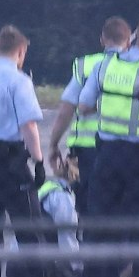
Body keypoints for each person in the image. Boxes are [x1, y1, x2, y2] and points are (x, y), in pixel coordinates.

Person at [76, 12, 139, 277]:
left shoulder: (105, 66)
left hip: (104, 156)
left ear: (135, 35)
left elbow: (83, 105)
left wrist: (109, 107)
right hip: (137, 157)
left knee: (100, 224)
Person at [0, 25, 50, 277]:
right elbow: (28, 125)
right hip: (12, 162)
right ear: (20, 52)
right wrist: (39, 162)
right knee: (31, 232)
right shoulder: (19, 81)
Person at [48, 16, 129, 207]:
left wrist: (53, 144)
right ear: (128, 42)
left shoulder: (85, 66)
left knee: (88, 206)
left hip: (86, 150)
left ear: (102, 39)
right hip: (123, 148)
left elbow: (66, 110)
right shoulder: (135, 67)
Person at [33, 162, 82, 277]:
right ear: (74, 174)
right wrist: (78, 268)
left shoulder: (47, 187)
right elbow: (67, 238)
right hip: (47, 264)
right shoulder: (62, 197)